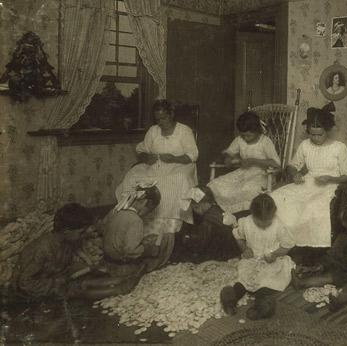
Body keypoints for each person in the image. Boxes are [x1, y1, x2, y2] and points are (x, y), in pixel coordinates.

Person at [270, 107, 347, 250]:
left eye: (319, 135)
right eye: (312, 135)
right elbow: (292, 165)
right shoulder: (305, 145)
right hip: (307, 182)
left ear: (327, 131)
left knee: (311, 206)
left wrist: (330, 178)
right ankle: (281, 241)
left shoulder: (339, 148)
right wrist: (295, 173)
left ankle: (305, 246)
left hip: (329, 185)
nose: (315, 138)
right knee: (276, 196)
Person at [115, 99, 198, 236]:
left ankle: (169, 228)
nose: (160, 122)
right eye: (157, 119)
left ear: (171, 114)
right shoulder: (153, 131)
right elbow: (141, 149)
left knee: (176, 180)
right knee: (134, 175)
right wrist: (147, 158)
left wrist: (174, 158)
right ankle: (131, 219)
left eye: (163, 118)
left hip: (180, 165)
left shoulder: (184, 131)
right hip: (156, 167)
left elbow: (193, 155)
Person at [220, 194, 295, 320]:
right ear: (252, 214)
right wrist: (245, 248)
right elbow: (238, 236)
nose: (264, 225)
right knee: (244, 280)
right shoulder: (245, 222)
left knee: (266, 283)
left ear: (274, 214)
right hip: (252, 260)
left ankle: (262, 305)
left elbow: (287, 245)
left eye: (267, 221)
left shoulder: (279, 226)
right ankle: (231, 297)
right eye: (259, 222)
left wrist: (276, 254)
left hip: (272, 261)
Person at [11, 203, 95, 300]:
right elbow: (23, 283)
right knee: (80, 293)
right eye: (81, 233)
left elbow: (62, 268)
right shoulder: (42, 248)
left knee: (86, 281)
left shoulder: (67, 242)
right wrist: (55, 283)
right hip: (28, 292)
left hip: (53, 282)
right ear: (67, 231)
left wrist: (86, 269)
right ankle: (115, 291)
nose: (83, 236)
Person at [208, 111, 281, 214]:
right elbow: (229, 152)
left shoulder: (265, 142)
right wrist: (228, 158)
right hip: (243, 173)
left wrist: (253, 161)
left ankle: (241, 214)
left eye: (249, 136)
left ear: (258, 131)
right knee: (216, 184)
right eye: (243, 135)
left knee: (247, 189)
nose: (246, 138)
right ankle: (225, 214)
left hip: (263, 175)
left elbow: (276, 164)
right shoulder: (239, 140)